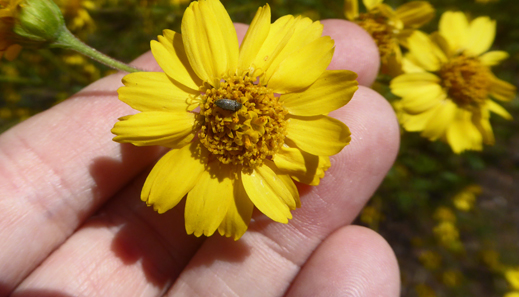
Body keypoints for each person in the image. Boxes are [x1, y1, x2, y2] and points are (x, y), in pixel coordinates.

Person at [0, 19, 400, 296]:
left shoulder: (269, 132)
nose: (249, 124)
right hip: (202, 113)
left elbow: (318, 146)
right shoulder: (207, 106)